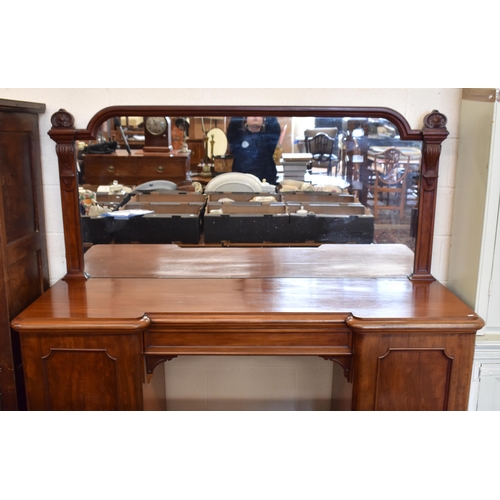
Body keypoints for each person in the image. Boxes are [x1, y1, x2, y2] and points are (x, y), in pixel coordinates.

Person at [226, 116, 281, 184]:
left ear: (263, 119)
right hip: (242, 182)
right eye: (251, 114)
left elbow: (274, 126)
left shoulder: (268, 137)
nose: (255, 116)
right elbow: (233, 125)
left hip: (266, 183)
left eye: (259, 114)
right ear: (245, 119)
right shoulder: (238, 137)